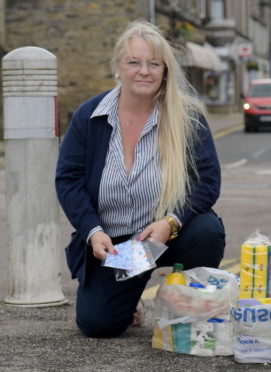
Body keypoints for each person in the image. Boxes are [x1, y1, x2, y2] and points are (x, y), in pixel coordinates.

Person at [55, 20, 225, 338]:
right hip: (118, 248)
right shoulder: (88, 117)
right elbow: (68, 179)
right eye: (133, 62)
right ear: (118, 67)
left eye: (153, 63)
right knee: (97, 325)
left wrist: (171, 223)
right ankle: (131, 300)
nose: (143, 71)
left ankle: (191, 307)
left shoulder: (188, 116)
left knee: (206, 231)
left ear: (165, 70)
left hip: (168, 235)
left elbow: (208, 181)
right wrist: (92, 232)